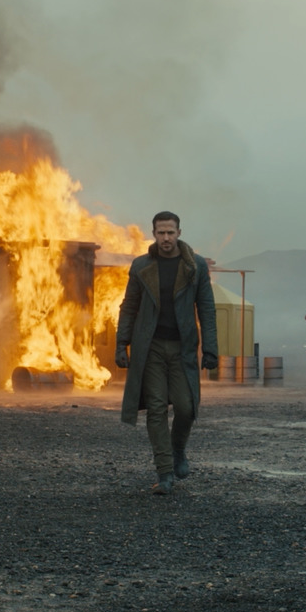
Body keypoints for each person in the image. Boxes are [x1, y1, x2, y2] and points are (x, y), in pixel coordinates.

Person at [116, 211, 218, 495]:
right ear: (154, 234)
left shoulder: (195, 266)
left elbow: (207, 309)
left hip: (183, 347)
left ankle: (178, 450)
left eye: (170, 232)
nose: (166, 238)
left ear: (179, 232)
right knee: (157, 408)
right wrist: (121, 343)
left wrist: (210, 348)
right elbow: (129, 306)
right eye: (161, 233)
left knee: (186, 407)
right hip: (150, 347)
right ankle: (164, 474)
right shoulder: (141, 266)